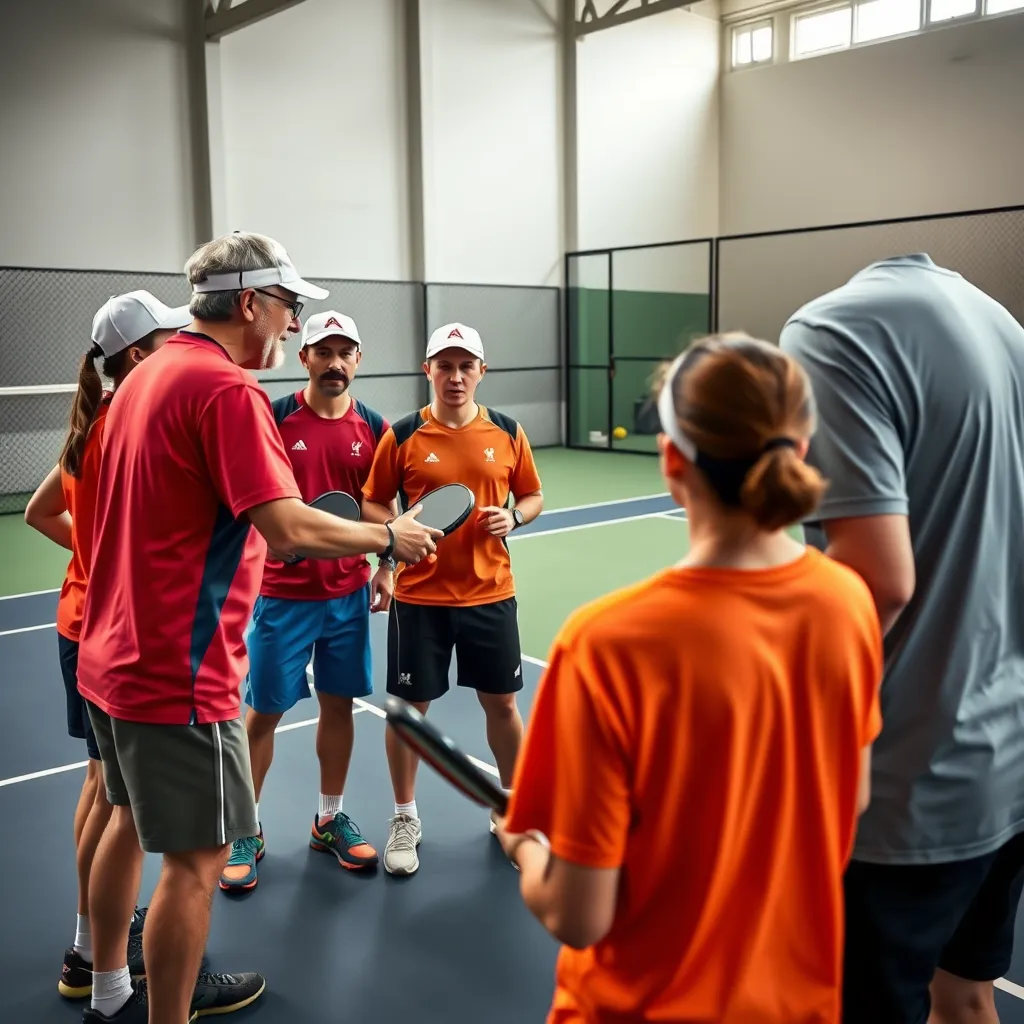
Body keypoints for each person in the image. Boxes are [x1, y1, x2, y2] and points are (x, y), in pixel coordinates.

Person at [75, 232, 441, 1024]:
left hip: (110, 653)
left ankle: (107, 993)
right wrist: (388, 538)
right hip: (179, 667)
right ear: (250, 302)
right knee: (198, 861)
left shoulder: (144, 379)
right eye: (289, 306)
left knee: (124, 817)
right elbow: (287, 529)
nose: (293, 323)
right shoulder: (227, 390)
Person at [494, 333, 884, 1024]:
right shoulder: (849, 602)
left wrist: (526, 847)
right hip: (799, 1003)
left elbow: (578, 917)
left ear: (671, 459)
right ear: (800, 448)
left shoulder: (606, 644)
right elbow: (848, 804)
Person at [778, 254, 1024, 1024]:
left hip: (902, 789)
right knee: (967, 997)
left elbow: (875, 583)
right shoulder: (1008, 332)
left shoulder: (827, 329)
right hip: (1007, 762)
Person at [24, 291, 189, 1001]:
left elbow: (39, 513)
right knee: (114, 799)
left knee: (98, 787)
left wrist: (90, 549)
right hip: (108, 626)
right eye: (167, 339)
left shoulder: (88, 426)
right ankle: (96, 960)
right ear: (137, 354)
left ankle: (88, 946)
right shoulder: (135, 421)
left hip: (77, 620)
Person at [219, 310, 394, 893]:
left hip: (346, 595)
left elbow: (379, 511)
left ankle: (328, 817)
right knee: (264, 713)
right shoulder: (271, 418)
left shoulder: (374, 426)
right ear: (306, 358)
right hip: (282, 597)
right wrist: (272, 542)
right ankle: (245, 827)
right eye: (325, 351)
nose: (336, 362)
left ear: (358, 361)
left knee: (339, 706)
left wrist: (386, 565)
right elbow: (243, 497)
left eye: (346, 352)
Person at [361, 322, 544, 877]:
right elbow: (372, 504)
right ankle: (403, 817)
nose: (456, 376)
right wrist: (397, 536)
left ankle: (511, 812)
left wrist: (513, 516)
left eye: (466, 366)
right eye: (445, 365)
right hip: (421, 599)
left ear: (481, 372)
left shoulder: (509, 431)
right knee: (410, 714)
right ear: (429, 371)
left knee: (504, 706)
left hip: (491, 594)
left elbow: (533, 495)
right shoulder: (403, 433)